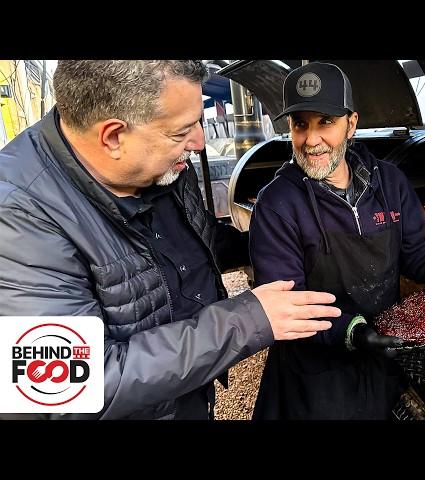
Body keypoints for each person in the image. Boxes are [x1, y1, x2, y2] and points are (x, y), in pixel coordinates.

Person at [0, 60, 341, 420]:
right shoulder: (20, 217)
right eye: (181, 132)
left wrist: (272, 241)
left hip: (186, 398)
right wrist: (245, 320)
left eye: (197, 120)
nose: (199, 142)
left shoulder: (162, 166)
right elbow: (68, 387)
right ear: (114, 136)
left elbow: (195, 241)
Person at [249, 62, 425, 420]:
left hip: (383, 364)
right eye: (300, 124)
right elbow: (288, 308)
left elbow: (418, 252)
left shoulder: (390, 182)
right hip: (316, 379)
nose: (311, 139)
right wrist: (353, 331)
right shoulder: (277, 205)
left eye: (325, 122)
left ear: (351, 124)